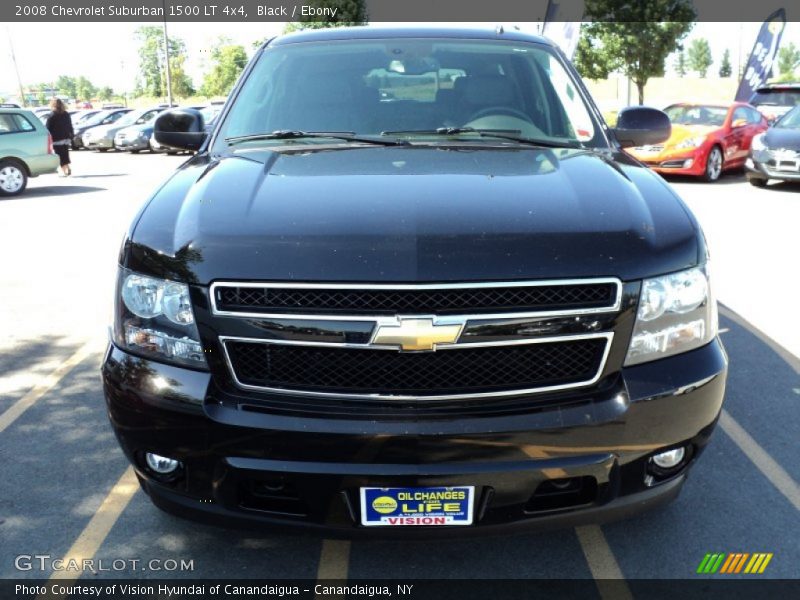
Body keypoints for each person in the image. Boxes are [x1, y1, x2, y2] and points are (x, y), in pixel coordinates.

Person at [45, 98, 74, 176]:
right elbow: (70, 126)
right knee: (65, 153)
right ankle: (67, 167)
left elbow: (47, 128)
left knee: (59, 155)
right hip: (66, 137)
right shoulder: (66, 114)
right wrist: (71, 135)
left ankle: (65, 171)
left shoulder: (52, 115)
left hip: (56, 138)